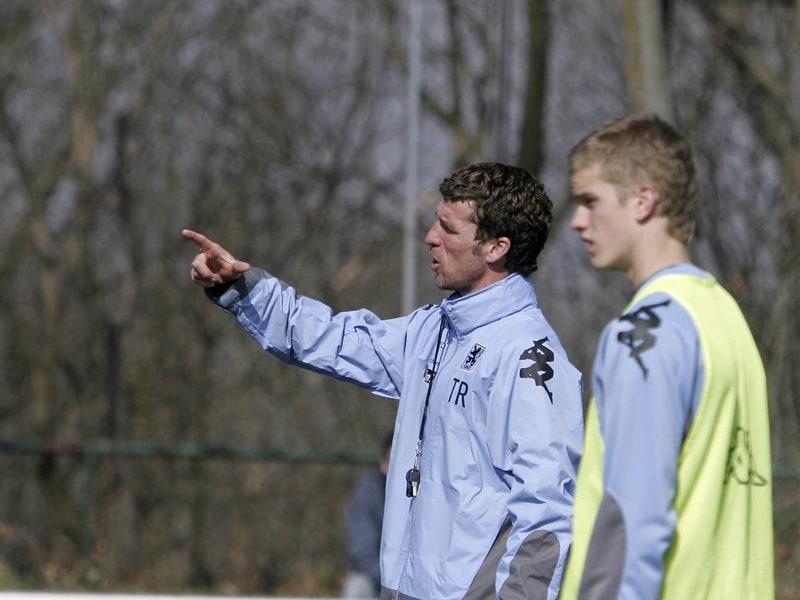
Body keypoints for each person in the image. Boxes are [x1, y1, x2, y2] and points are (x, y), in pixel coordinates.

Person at [183, 162, 584, 600]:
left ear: (495, 247)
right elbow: (334, 340)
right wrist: (243, 288)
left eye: (448, 229)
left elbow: (546, 517)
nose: (431, 237)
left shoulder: (528, 358)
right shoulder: (432, 330)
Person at [559, 114, 774, 599]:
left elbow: (631, 523)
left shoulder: (642, 336)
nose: (576, 220)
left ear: (643, 200)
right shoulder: (725, 317)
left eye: (590, 201)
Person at [341, 431, 393, 599]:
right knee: (357, 589)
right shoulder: (369, 492)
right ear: (384, 464)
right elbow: (363, 551)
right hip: (377, 579)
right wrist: (392, 581)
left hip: (418, 583)